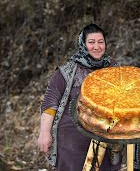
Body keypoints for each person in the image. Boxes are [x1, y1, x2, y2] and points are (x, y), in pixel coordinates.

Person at [37, 23, 122, 171]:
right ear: (83, 44)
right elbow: (50, 104)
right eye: (91, 42)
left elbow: (126, 100)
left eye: (100, 42)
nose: (97, 46)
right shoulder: (67, 72)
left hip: (106, 141)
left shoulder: (114, 70)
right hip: (71, 144)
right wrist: (44, 133)